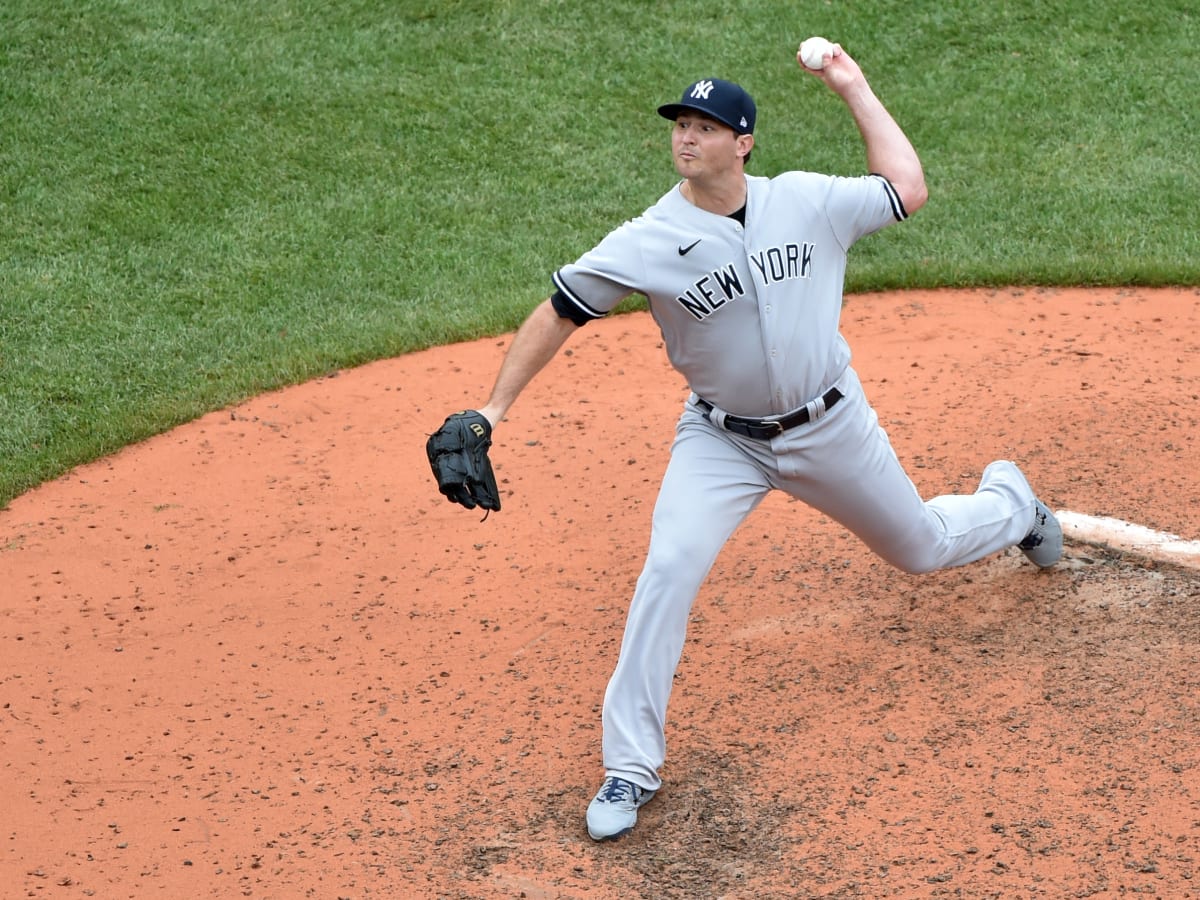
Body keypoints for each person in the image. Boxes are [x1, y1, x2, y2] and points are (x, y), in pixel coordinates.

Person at [439, 41, 1063, 842]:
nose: (686, 137)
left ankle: (1012, 501)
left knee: (921, 547)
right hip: (721, 441)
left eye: (705, 126)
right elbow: (560, 310)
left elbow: (907, 188)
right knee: (668, 568)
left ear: (743, 143)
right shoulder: (648, 237)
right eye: (680, 125)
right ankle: (630, 769)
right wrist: (491, 410)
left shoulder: (807, 201)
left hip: (830, 424)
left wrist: (851, 82)